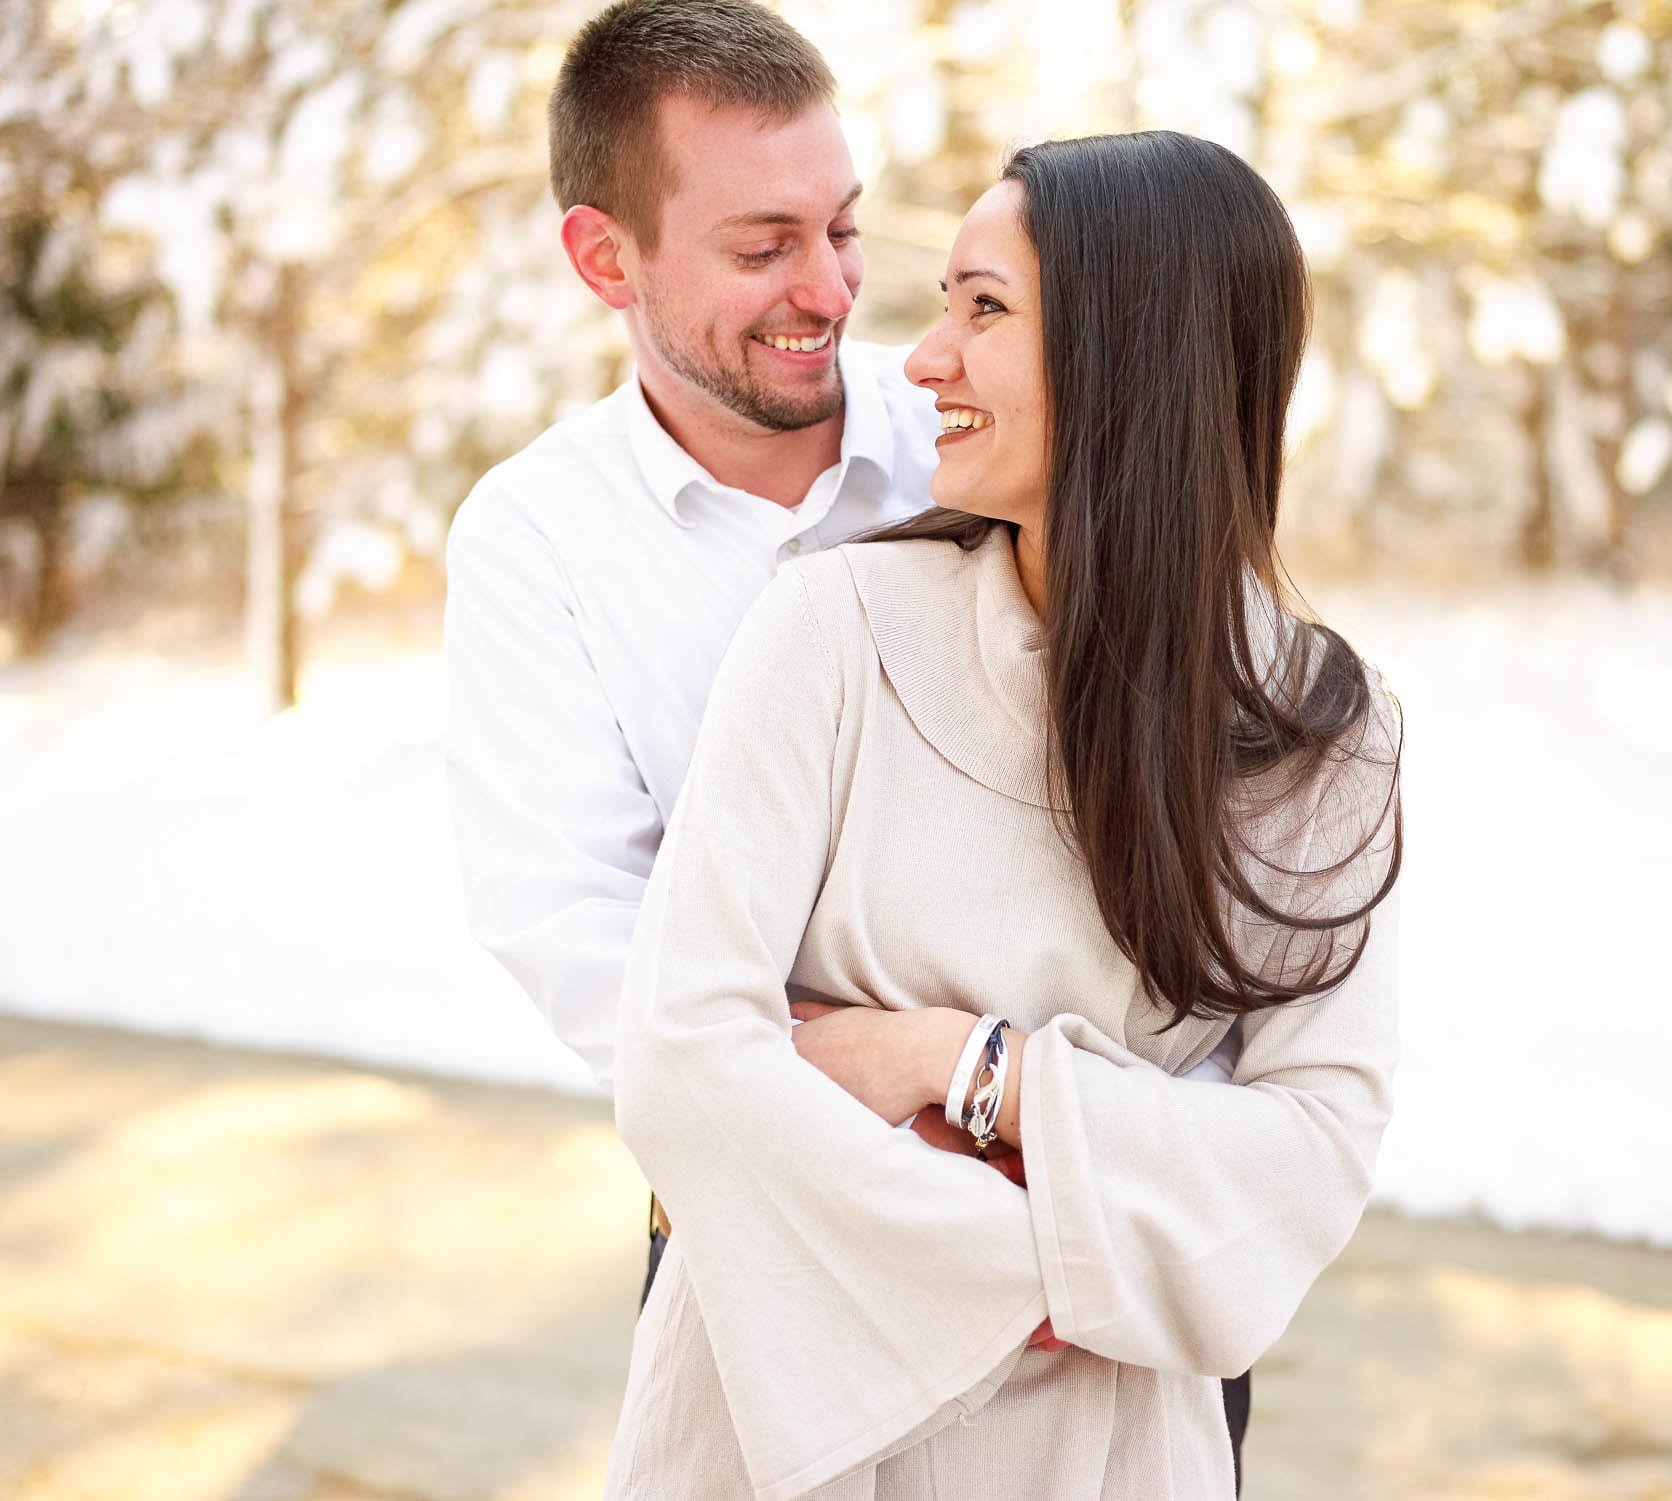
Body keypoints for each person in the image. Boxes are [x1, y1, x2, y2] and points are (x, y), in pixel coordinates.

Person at [444, 0, 1261, 1483]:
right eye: (763, 246)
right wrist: (911, 1129)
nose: (828, 289)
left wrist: (1089, 1189)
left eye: (844, 229)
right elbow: (586, 934)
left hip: (1104, 1236)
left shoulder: (984, 424)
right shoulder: (537, 541)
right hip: (777, 1232)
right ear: (604, 257)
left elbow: (1184, 798)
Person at [606, 130, 1404, 1500]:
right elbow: (681, 1053)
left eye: (983, 309)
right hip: (775, 1444)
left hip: (1111, 1459)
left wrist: (960, 1064)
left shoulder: (1319, 730)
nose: (923, 361)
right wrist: (1058, 1260)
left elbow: (1309, 1155)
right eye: (941, 306)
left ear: (1130, 353)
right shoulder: (835, 630)